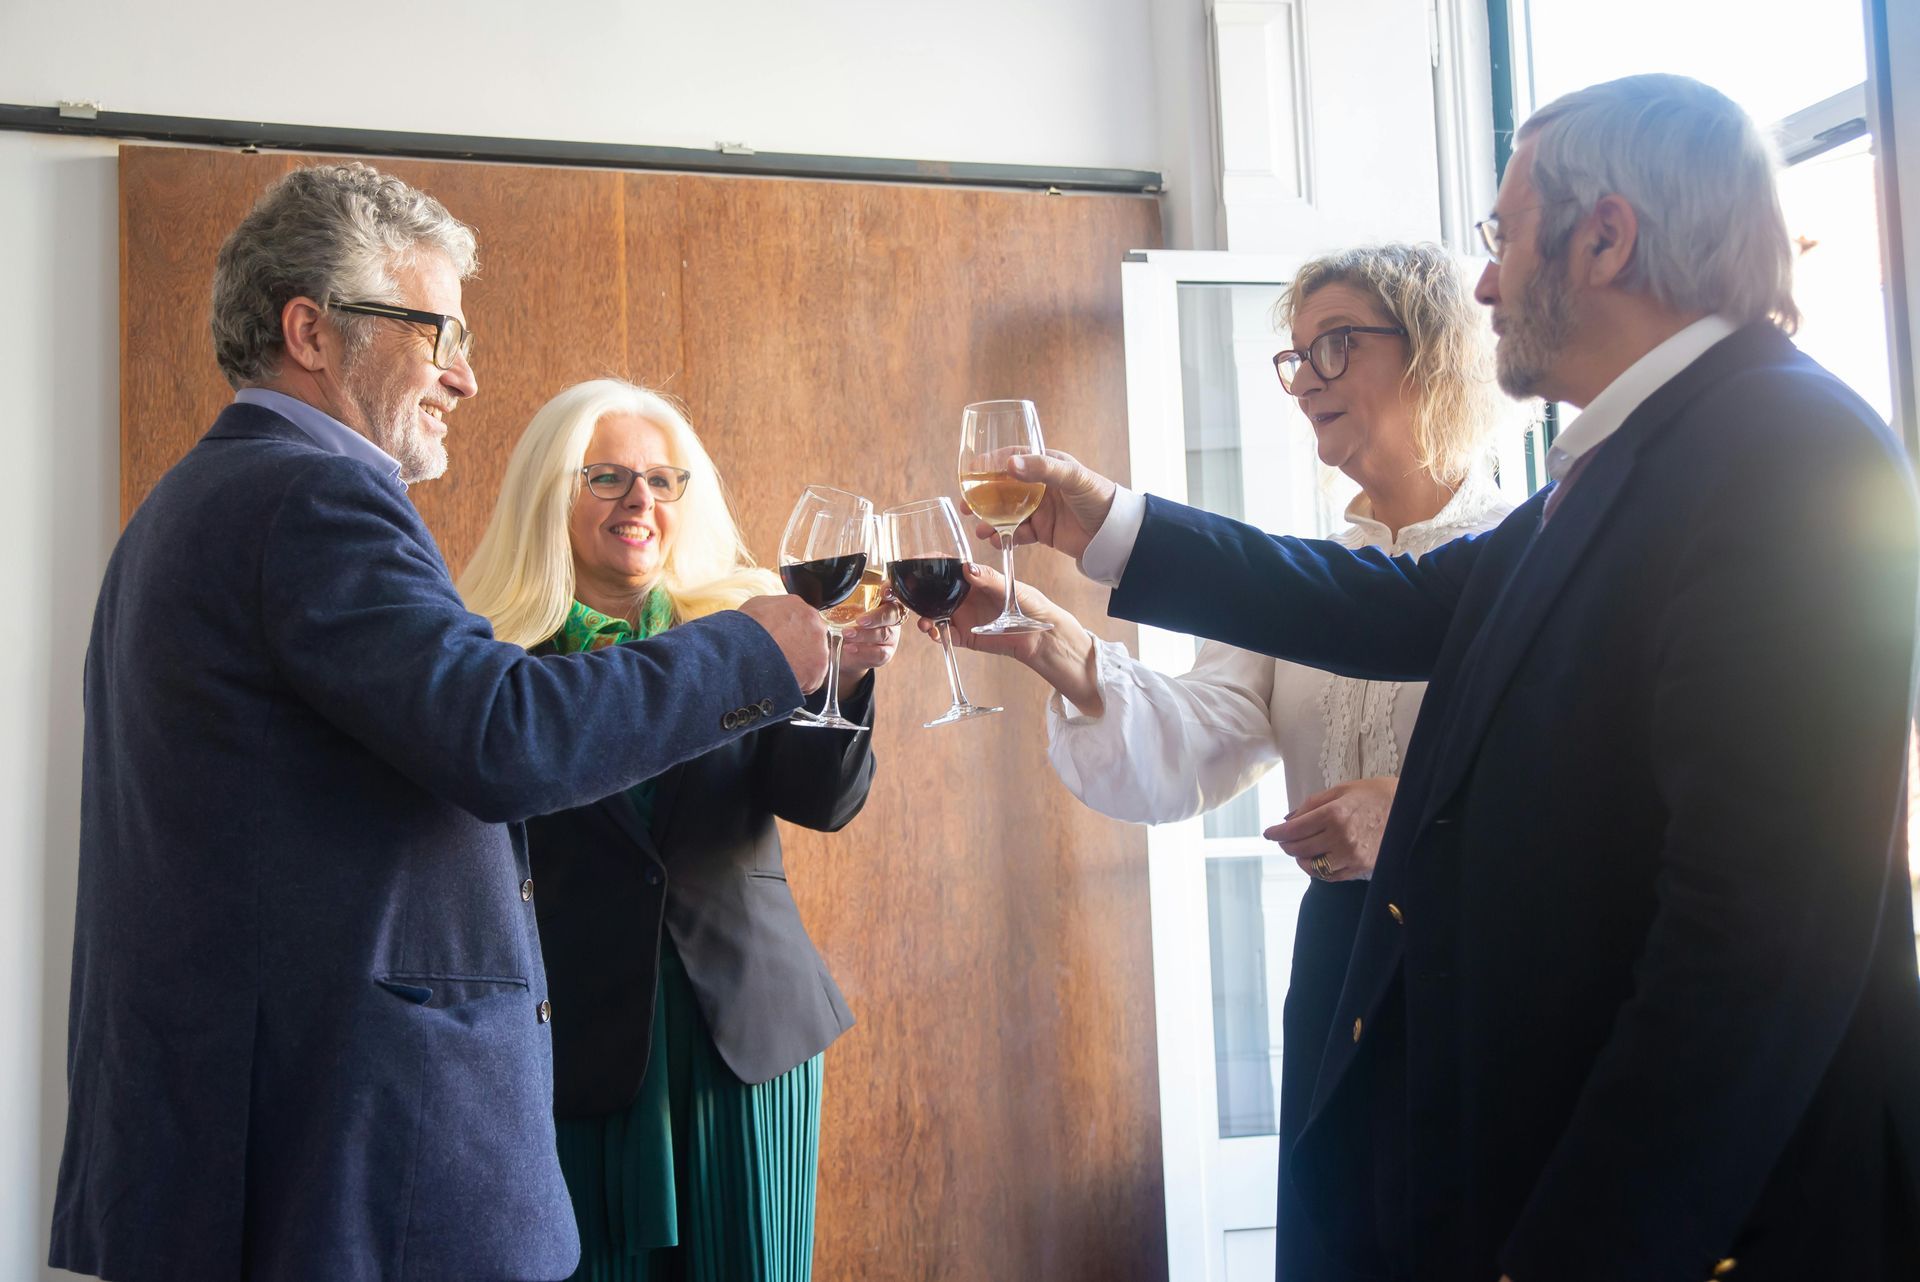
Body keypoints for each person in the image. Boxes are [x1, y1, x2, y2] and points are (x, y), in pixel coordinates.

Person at [991, 75, 1920, 1280]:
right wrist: (1104, 520)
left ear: (1605, 237)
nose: (1484, 282)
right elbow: (1388, 602)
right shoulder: (1627, 461)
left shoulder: (1789, 449)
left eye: (1501, 236)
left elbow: (1754, 946)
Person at [50, 164, 831, 1282]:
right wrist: (759, 648)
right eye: (438, 332)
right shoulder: (312, 497)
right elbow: (503, 734)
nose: (465, 376)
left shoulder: (192, 505)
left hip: (253, 1148)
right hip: (348, 1164)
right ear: (312, 331)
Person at [938, 244, 1510, 1278]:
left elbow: (1593, 780)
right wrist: (1054, 643)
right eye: (1297, 358)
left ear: (1437, 351)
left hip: (1495, 973)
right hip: (1340, 968)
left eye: (1339, 343)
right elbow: (1199, 741)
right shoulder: (1306, 578)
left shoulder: (1530, 550)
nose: (1311, 380)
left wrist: (1413, 815)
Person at [460, 378, 896, 1281]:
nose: (641, 502)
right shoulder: (491, 665)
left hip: (747, 1036)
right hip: (577, 1043)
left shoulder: (745, 630)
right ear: (553, 493)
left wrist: (842, 684)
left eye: (664, 480)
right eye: (609, 476)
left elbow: (821, 802)